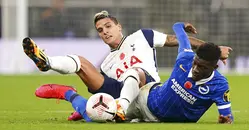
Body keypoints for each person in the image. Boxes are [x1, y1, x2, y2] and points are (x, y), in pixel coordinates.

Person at [23, 10, 231, 121]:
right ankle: (46, 62)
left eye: (108, 26)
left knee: (134, 72)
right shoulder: (106, 63)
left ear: (119, 26)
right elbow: (106, 90)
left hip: (147, 88)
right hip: (125, 94)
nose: (104, 31)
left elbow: (174, 40)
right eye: (99, 29)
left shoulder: (142, 36)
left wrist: (212, 49)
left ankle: (72, 96)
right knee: (81, 63)